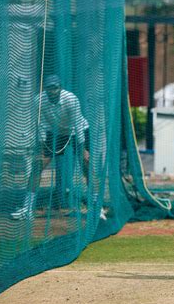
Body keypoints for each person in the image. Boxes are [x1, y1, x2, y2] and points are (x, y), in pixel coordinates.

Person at [10, 75, 105, 220]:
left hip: (76, 132)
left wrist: (84, 149)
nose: (52, 91)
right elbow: (41, 125)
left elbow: (78, 125)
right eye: (49, 88)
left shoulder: (71, 99)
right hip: (55, 133)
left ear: (60, 88)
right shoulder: (39, 100)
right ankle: (27, 209)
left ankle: (97, 208)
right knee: (37, 165)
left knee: (86, 164)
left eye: (55, 87)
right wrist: (42, 145)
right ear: (45, 89)